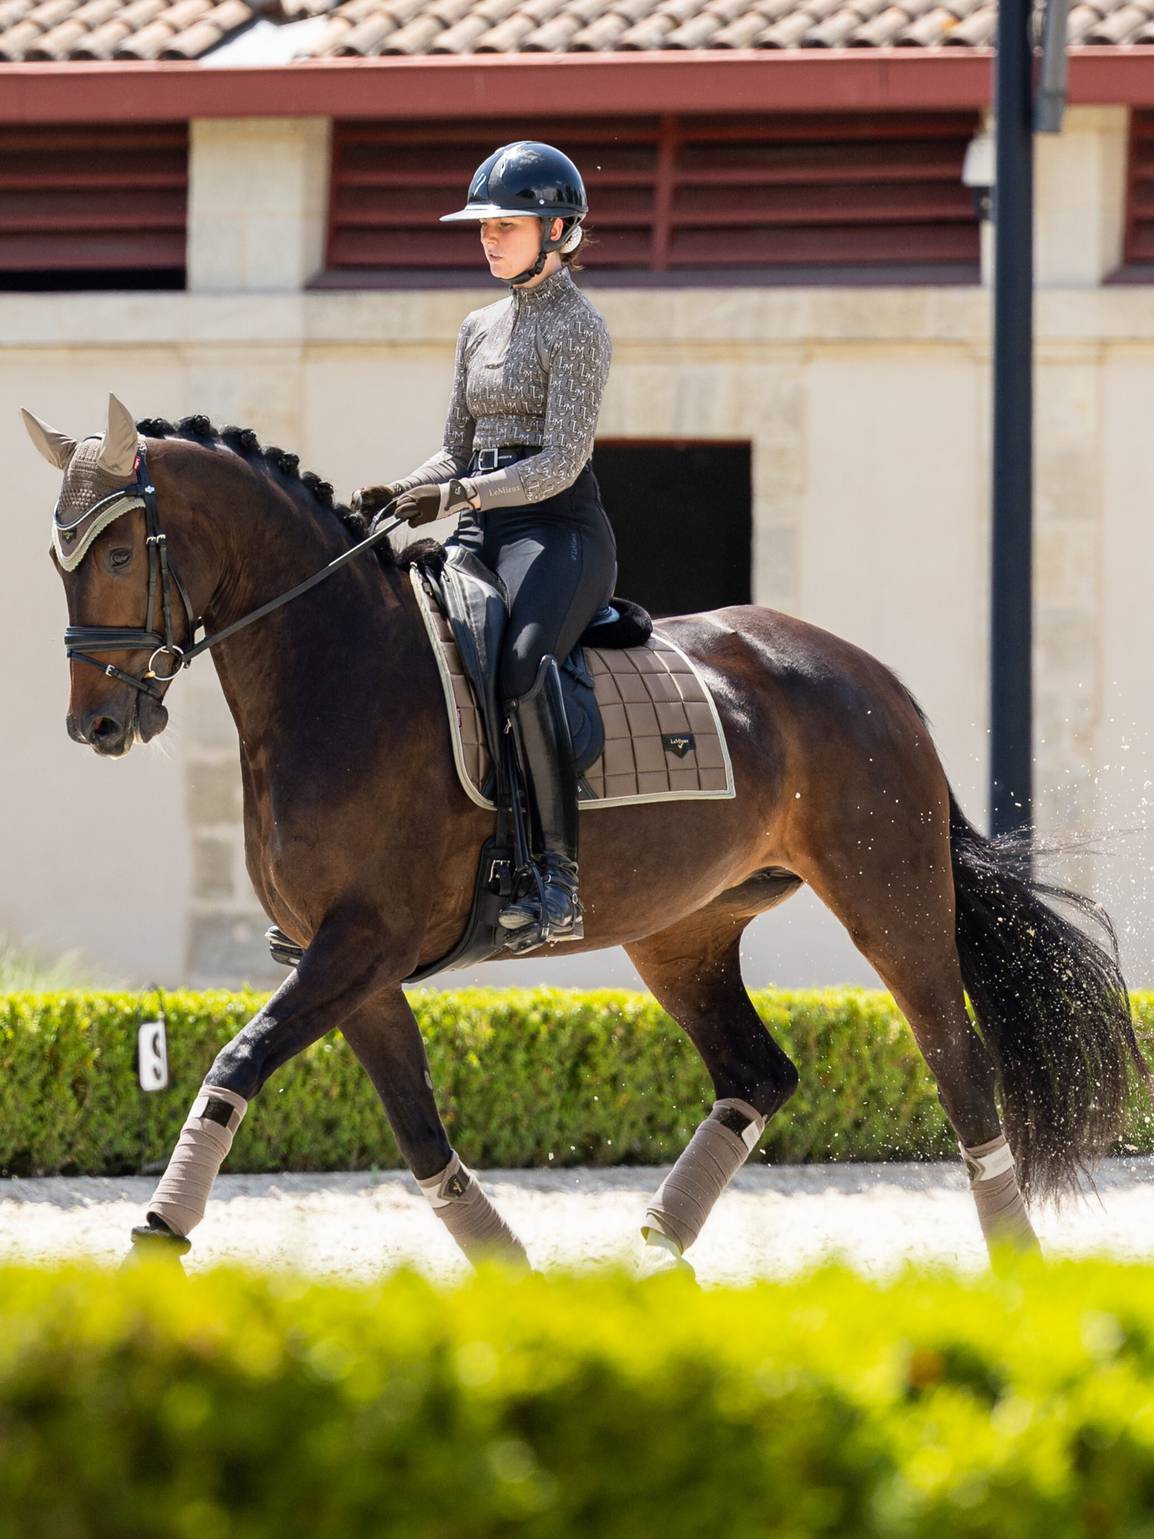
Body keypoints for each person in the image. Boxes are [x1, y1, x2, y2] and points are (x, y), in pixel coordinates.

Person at [354, 141, 616, 950]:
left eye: (505, 225)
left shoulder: (580, 328)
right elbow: (455, 450)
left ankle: (559, 881)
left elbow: (561, 461)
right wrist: (400, 492)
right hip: (480, 528)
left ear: (558, 230)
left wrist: (459, 494)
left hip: (557, 530)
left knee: (523, 665)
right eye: (483, 227)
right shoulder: (477, 327)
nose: (489, 238)